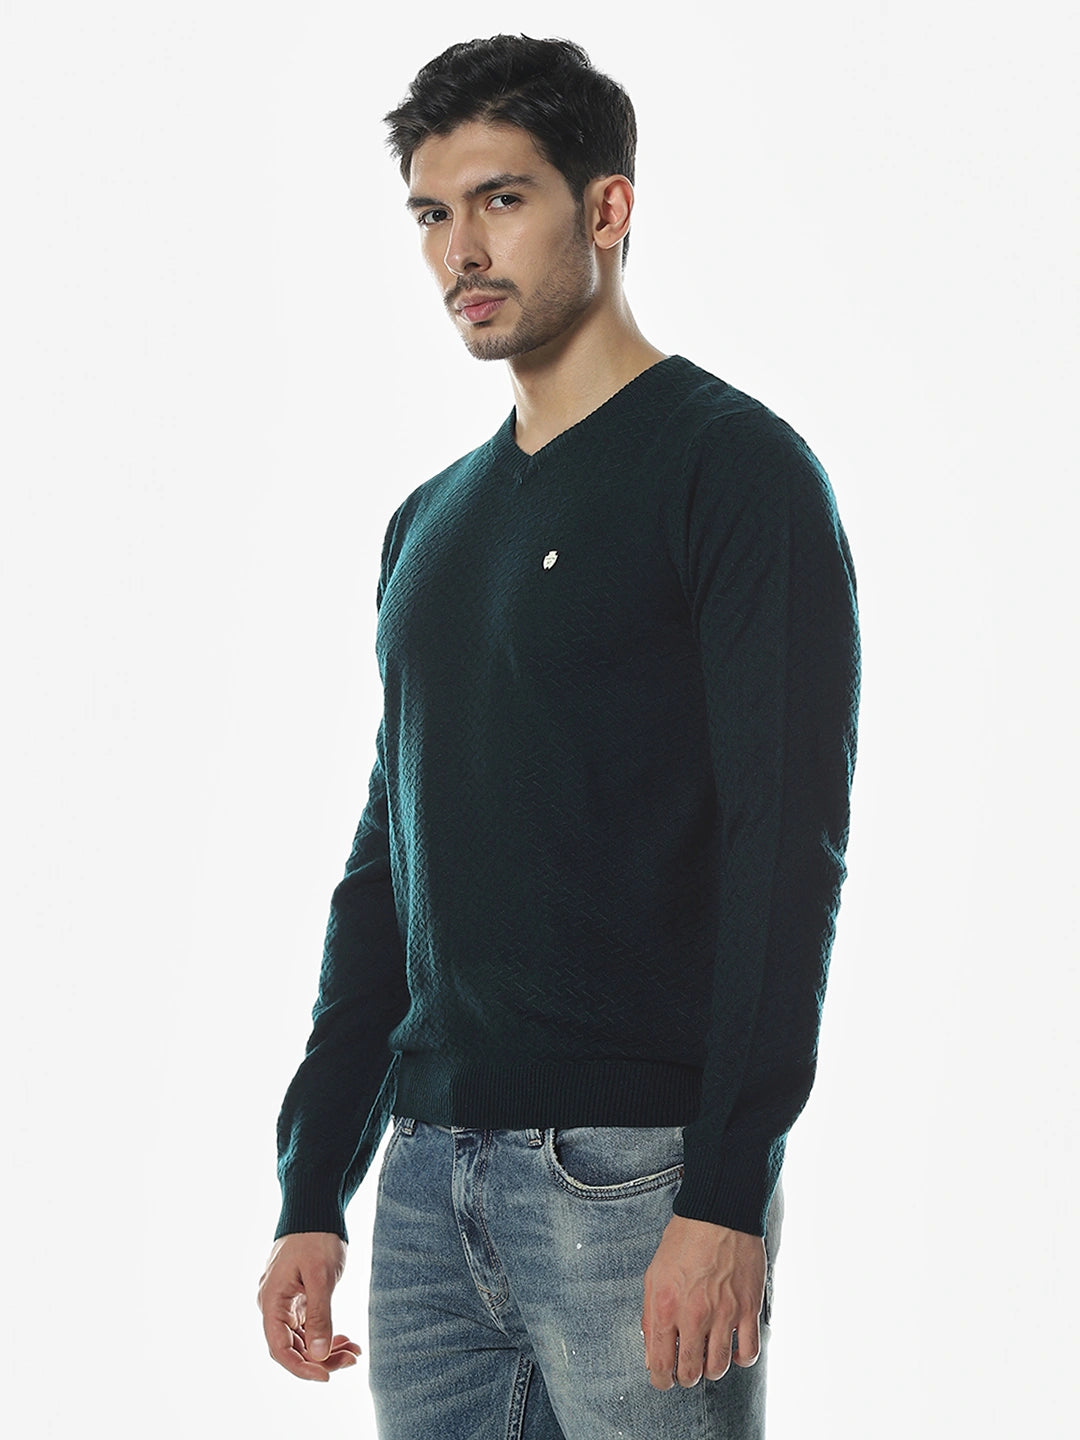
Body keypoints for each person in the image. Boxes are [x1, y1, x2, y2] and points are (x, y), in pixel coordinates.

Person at [257, 34, 860, 1440]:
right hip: (426, 1184)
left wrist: (728, 1190)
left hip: (636, 1177)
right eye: (432, 211)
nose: (461, 250)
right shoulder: (429, 523)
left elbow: (788, 849)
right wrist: (314, 1184)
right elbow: (390, 866)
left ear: (608, 207)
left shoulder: (732, 471)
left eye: (502, 199)